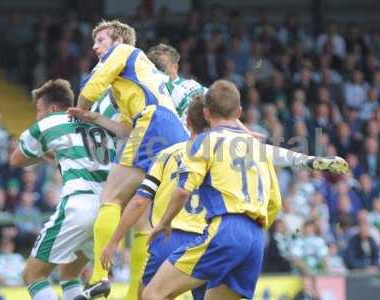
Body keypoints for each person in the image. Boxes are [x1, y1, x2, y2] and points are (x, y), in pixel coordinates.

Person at [70, 20, 189, 299]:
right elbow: (126, 128)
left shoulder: (123, 51)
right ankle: (136, 293)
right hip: (169, 131)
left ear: (119, 39)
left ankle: (99, 277)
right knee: (143, 222)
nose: (95, 47)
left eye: (100, 40)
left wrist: (80, 107)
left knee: (110, 198)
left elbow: (91, 88)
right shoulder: (133, 77)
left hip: (153, 122)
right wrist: (95, 117)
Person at [141, 80, 282, 300]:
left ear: (206, 113)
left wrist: (164, 222)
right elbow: (275, 202)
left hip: (227, 229)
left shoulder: (206, 142)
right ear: (239, 112)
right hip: (256, 238)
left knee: (153, 294)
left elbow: (182, 190)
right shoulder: (256, 147)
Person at [147, 43, 349, 173]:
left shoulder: (154, 87)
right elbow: (221, 105)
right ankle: (306, 160)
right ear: (175, 66)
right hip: (217, 131)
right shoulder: (191, 85)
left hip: (187, 142)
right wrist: (244, 131)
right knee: (258, 151)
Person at [10, 79, 116, 300]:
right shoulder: (99, 124)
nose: (37, 116)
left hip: (79, 205)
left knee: (33, 275)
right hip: (109, 209)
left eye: (39, 110)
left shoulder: (48, 124)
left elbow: (16, 160)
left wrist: (46, 151)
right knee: (69, 273)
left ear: (53, 108)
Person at [99, 96, 209, 300]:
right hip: (208, 239)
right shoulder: (220, 156)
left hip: (170, 236)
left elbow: (140, 201)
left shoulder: (167, 154)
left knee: (148, 295)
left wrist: (114, 241)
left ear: (187, 122)